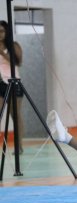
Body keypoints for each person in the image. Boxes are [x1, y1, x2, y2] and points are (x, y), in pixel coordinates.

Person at [0, 20, 24, 154]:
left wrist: (3, 54)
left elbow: (18, 61)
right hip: (0, 83)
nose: (0, 34)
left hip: (14, 83)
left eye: (2, 31)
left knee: (15, 115)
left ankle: (18, 145)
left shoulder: (13, 45)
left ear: (7, 31)